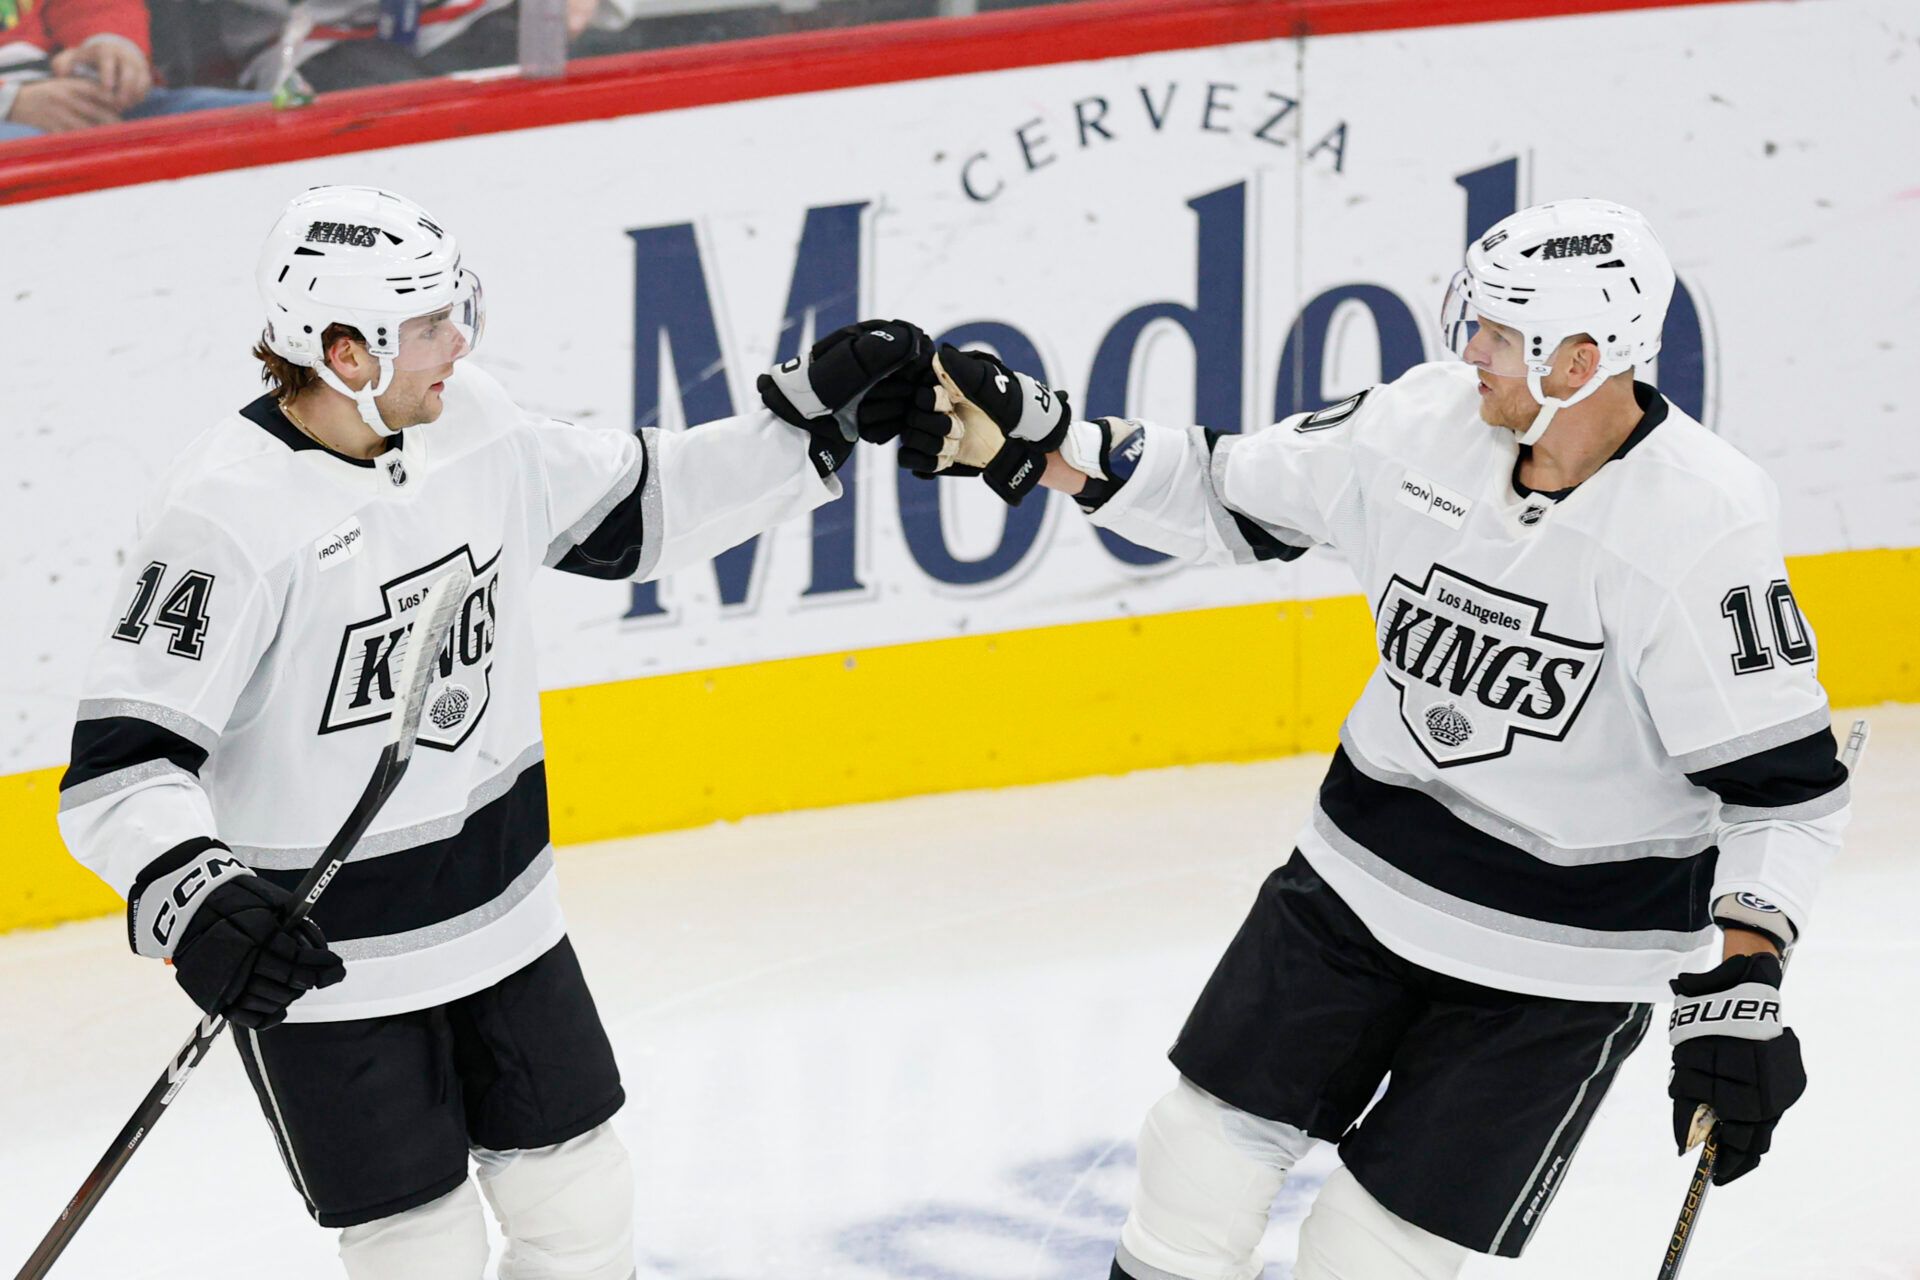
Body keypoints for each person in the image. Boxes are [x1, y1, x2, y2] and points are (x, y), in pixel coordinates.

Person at [898, 198, 1847, 1277]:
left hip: (1559, 965)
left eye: (1500, 333)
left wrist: (1744, 979)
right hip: (1354, 887)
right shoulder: (1418, 424)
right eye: (1474, 320)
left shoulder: (1697, 525)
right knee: (1195, 1165)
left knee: (1372, 1254)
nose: (1468, 351)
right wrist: (1038, 440)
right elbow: (1222, 490)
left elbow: (1784, 793)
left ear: (1580, 359)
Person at [56, 184, 927, 1278]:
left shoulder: (476, 424)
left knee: (580, 1209)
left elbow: (643, 505)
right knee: (418, 1250)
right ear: (345, 352)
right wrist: (201, 897)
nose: (455, 342)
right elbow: (121, 769)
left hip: (507, 923)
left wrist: (806, 423)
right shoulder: (220, 516)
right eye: (425, 324)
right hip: (335, 969)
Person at [0, 0, 262, 140]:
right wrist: (9, 102)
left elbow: (91, 8)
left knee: (272, 117)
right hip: (17, 125)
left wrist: (110, 42)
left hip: (86, 98)